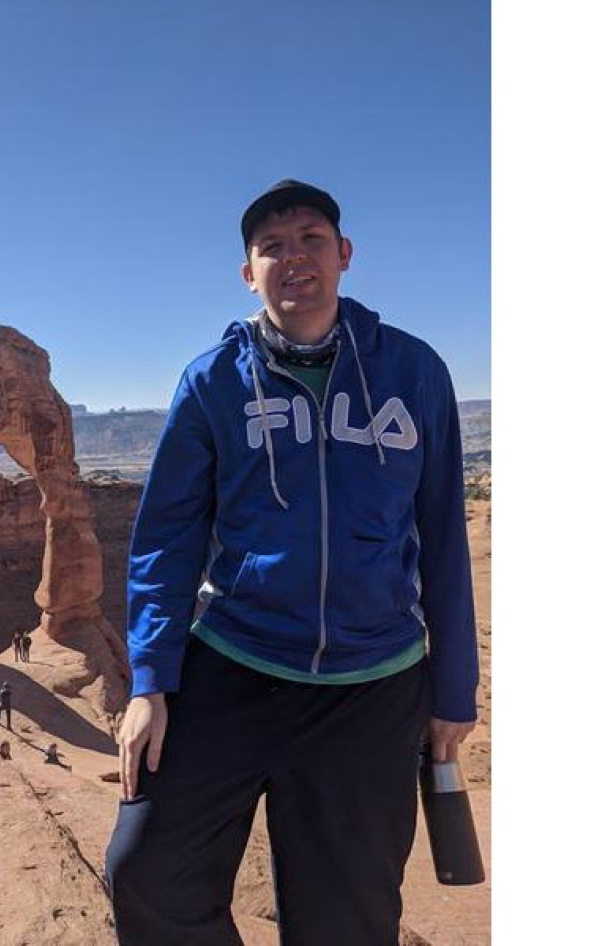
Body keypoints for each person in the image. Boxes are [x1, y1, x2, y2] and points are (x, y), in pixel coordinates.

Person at [103, 180, 479, 946]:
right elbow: (165, 540)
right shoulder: (211, 381)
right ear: (249, 273)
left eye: (310, 238)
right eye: (272, 246)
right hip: (234, 665)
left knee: (347, 920)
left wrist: (455, 690)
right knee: (148, 871)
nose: (293, 257)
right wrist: (150, 683)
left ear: (343, 255)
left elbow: (442, 533)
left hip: (371, 687)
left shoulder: (413, 371)